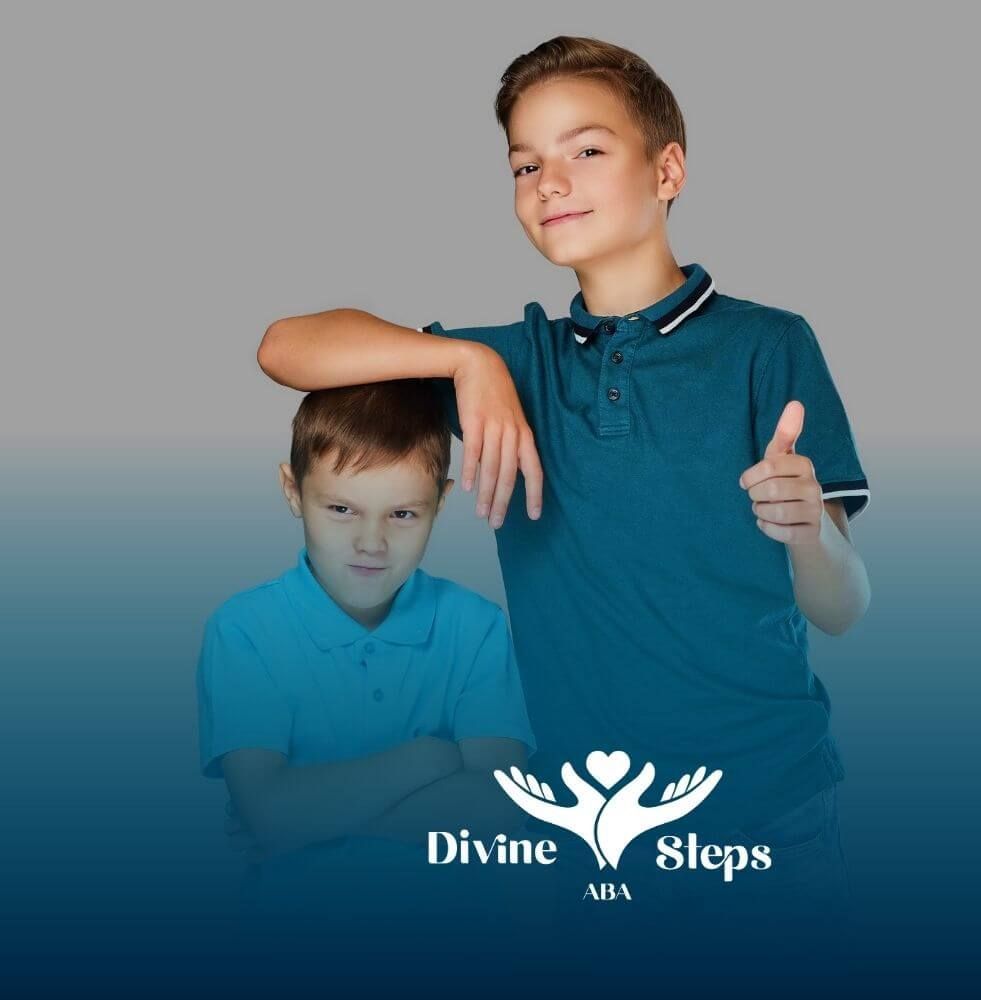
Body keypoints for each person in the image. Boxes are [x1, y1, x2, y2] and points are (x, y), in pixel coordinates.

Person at [255, 36, 871, 971]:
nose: (551, 182)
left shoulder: (769, 345)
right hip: (593, 826)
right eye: (524, 164)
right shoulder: (518, 363)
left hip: (766, 813)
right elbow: (285, 347)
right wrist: (466, 360)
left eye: (586, 149)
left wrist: (806, 532)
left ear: (667, 170)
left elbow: (843, 608)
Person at [195, 378, 537, 932]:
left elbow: (499, 808)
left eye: (402, 514)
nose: (371, 543)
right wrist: (431, 759)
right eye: (341, 509)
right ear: (292, 491)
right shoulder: (244, 631)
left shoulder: (476, 626)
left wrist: (311, 822)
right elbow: (270, 814)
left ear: (441, 501)